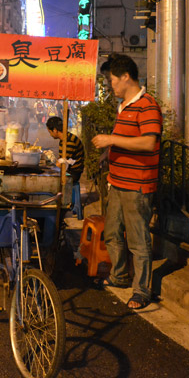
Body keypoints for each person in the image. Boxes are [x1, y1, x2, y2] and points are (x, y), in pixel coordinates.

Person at [91, 54, 163, 310]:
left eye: (112, 80)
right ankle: (120, 276)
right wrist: (108, 154)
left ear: (125, 77)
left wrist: (110, 141)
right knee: (112, 234)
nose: (111, 86)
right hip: (118, 182)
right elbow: (127, 140)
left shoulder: (147, 106)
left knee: (138, 240)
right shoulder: (124, 107)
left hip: (137, 186)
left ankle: (142, 290)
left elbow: (148, 142)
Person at [46, 116, 85, 183]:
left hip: (73, 174)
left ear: (55, 130)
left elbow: (62, 162)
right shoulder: (64, 139)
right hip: (68, 170)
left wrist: (48, 171)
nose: (50, 135)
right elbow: (61, 159)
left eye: (50, 132)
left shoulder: (70, 141)